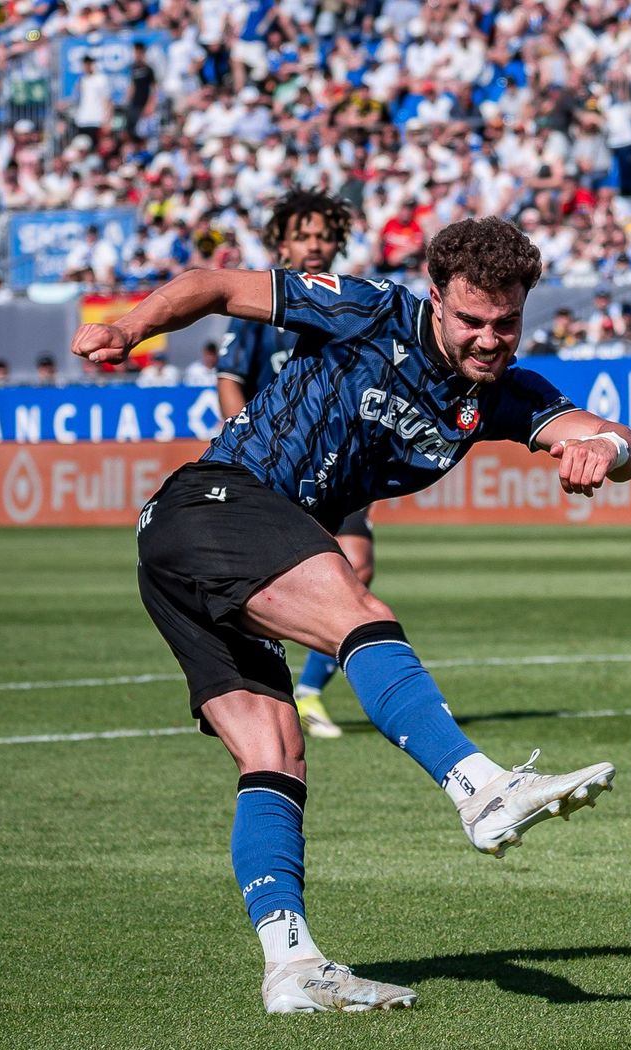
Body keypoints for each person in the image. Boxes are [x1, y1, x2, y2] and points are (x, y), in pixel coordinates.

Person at [70, 216, 631, 1014]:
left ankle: (290, 964)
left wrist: (606, 452)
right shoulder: (372, 309)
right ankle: (479, 787)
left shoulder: (508, 394)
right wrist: (131, 326)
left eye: (505, 323)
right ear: (436, 299)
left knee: (274, 755)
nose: (487, 338)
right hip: (217, 501)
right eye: (470, 320)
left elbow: (619, 439)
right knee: (361, 612)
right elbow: (217, 284)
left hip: (185, 551)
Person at [217, 189, 365, 741]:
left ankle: (309, 691)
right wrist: (241, 439)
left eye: (324, 235)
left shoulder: (352, 301)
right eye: (302, 235)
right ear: (281, 242)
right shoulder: (264, 302)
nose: (315, 245)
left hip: (340, 465)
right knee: (279, 581)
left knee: (359, 565)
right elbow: (230, 379)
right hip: (276, 466)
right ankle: (264, 682)